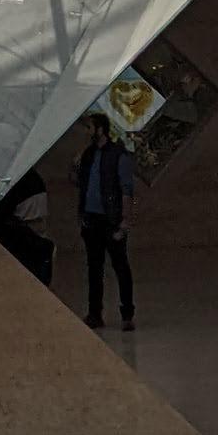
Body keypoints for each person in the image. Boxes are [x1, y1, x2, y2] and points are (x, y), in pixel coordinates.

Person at [77, 122, 137, 327]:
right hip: (92, 219)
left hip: (111, 219)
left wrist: (125, 221)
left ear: (100, 129)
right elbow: (78, 182)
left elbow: (127, 189)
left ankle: (127, 312)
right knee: (94, 267)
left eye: (89, 127)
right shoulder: (88, 154)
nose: (86, 131)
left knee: (120, 265)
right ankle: (95, 313)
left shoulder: (118, 155)